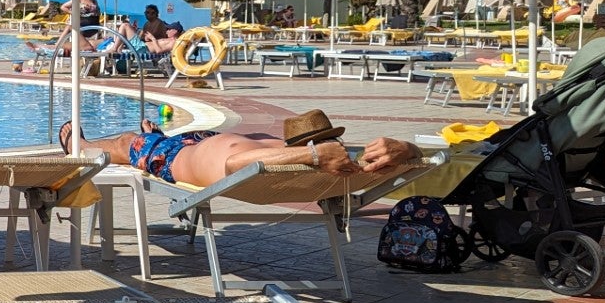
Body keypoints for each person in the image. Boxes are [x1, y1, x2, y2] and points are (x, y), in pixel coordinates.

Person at [59, 108, 419, 189]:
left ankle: (82, 145)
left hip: (177, 159)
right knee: (157, 133)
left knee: (128, 142)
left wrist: (313, 155)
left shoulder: (316, 158)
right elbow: (418, 163)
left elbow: (236, 164)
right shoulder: (342, 159)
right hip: (195, 145)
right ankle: (158, 134)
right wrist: (407, 148)